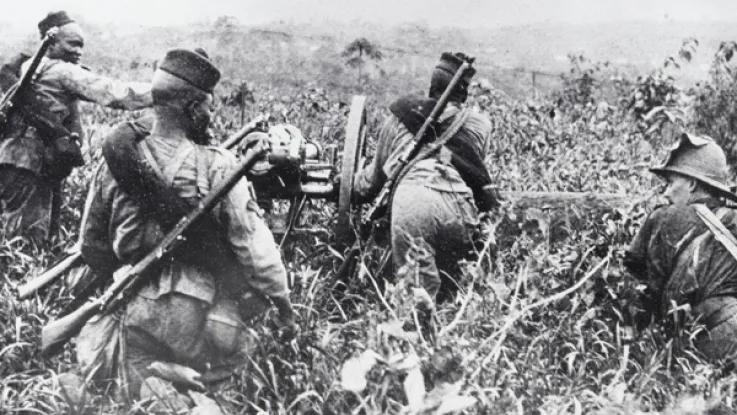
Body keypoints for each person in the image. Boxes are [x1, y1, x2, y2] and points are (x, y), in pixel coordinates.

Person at [73, 48, 297, 404]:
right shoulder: (219, 165)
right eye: (208, 106)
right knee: (228, 387)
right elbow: (256, 252)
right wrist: (284, 308)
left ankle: (152, 385)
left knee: (133, 389)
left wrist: (125, 278)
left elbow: (92, 244)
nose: (211, 114)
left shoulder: (113, 165)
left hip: (134, 310)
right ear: (192, 108)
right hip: (202, 317)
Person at [354, 52, 499, 326]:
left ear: (431, 87)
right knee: (455, 292)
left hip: (412, 207)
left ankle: (419, 342)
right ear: (464, 93)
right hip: (458, 208)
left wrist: (348, 186)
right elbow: (476, 174)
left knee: (416, 305)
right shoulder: (480, 125)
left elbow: (370, 183)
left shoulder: (401, 115)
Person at [0, 11, 153, 242]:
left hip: (14, 159)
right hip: (33, 161)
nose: (78, 51)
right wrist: (162, 92)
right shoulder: (62, 70)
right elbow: (112, 92)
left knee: (17, 234)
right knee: (29, 238)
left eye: (81, 45)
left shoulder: (27, 67)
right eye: (72, 44)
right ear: (50, 44)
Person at [625, 132, 737, 362]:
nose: (665, 193)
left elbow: (646, 290)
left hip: (709, 337)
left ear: (693, 183)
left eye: (670, 183)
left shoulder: (664, 217)